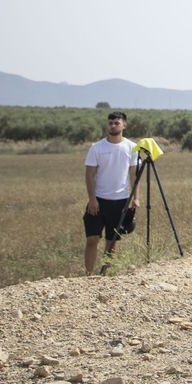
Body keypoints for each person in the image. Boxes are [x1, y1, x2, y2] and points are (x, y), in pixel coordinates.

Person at [83, 110, 138, 276]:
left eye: (117, 123)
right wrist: (92, 200)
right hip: (99, 200)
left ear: (124, 125)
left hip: (121, 200)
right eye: (110, 123)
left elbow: (134, 174)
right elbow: (89, 174)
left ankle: (104, 275)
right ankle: (88, 275)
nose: (113, 126)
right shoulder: (97, 148)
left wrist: (135, 198)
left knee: (112, 241)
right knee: (92, 238)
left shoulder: (131, 147)